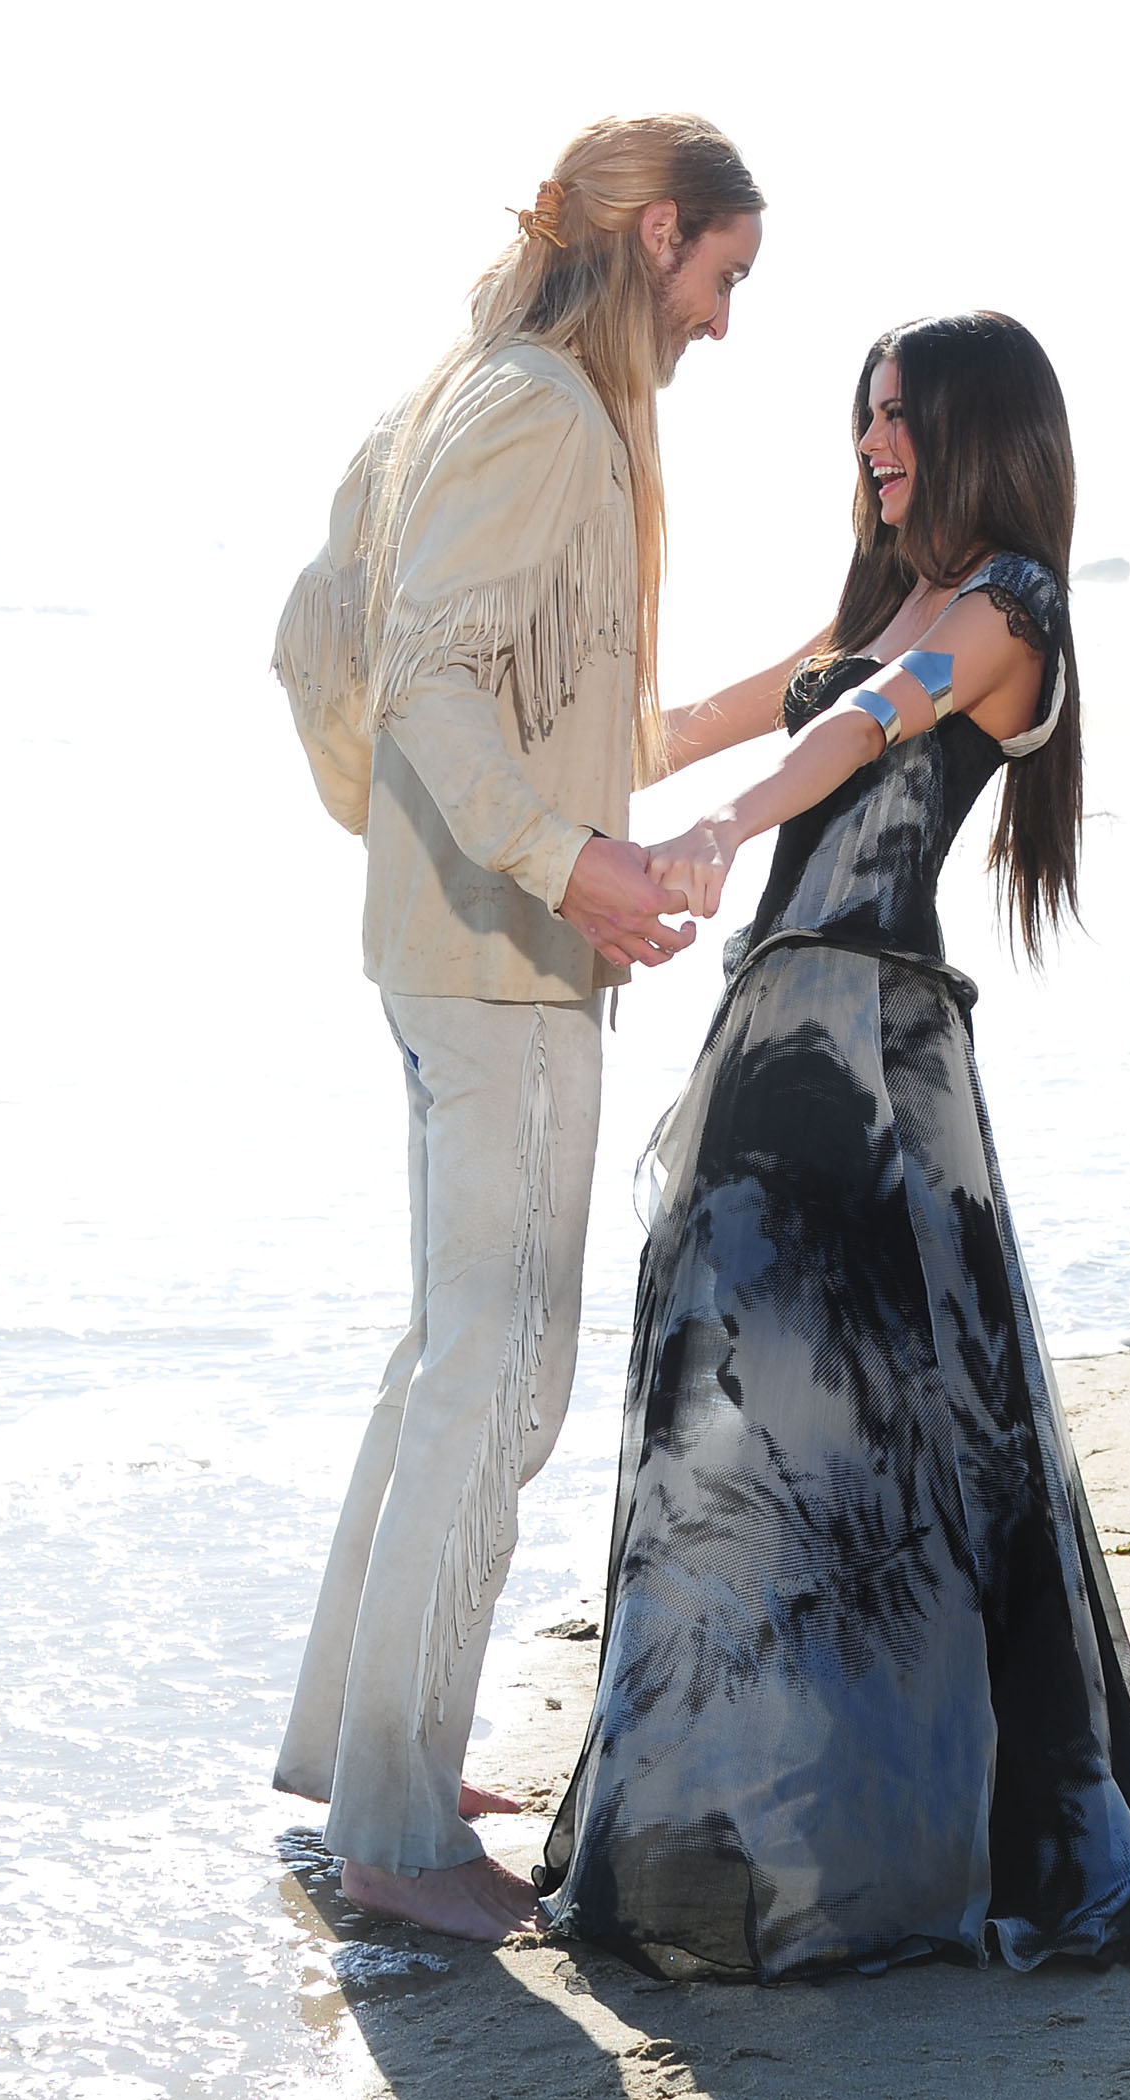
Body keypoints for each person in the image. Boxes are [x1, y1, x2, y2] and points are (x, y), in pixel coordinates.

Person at [534, 312, 1130, 1978]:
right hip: (775, 1025)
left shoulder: (1005, 610)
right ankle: (725, 1825)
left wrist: (723, 825)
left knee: (903, 1440)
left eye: (900, 415)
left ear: (977, 430)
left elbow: (868, 724)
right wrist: (537, 769)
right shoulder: (880, 596)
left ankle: (880, 1849)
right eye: (865, 413)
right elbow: (700, 718)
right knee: (736, 1415)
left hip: (876, 1053)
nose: (872, 441)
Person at [266, 114, 765, 1944]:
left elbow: (509, 703)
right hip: (496, 964)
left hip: (445, 948)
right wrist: (570, 869)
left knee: (449, 1357)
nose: (722, 321)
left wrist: (776, 698)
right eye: (721, 276)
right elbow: (426, 680)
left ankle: (360, 1759)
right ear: (655, 236)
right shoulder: (545, 412)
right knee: (503, 1379)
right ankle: (395, 1833)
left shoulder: (468, 395)